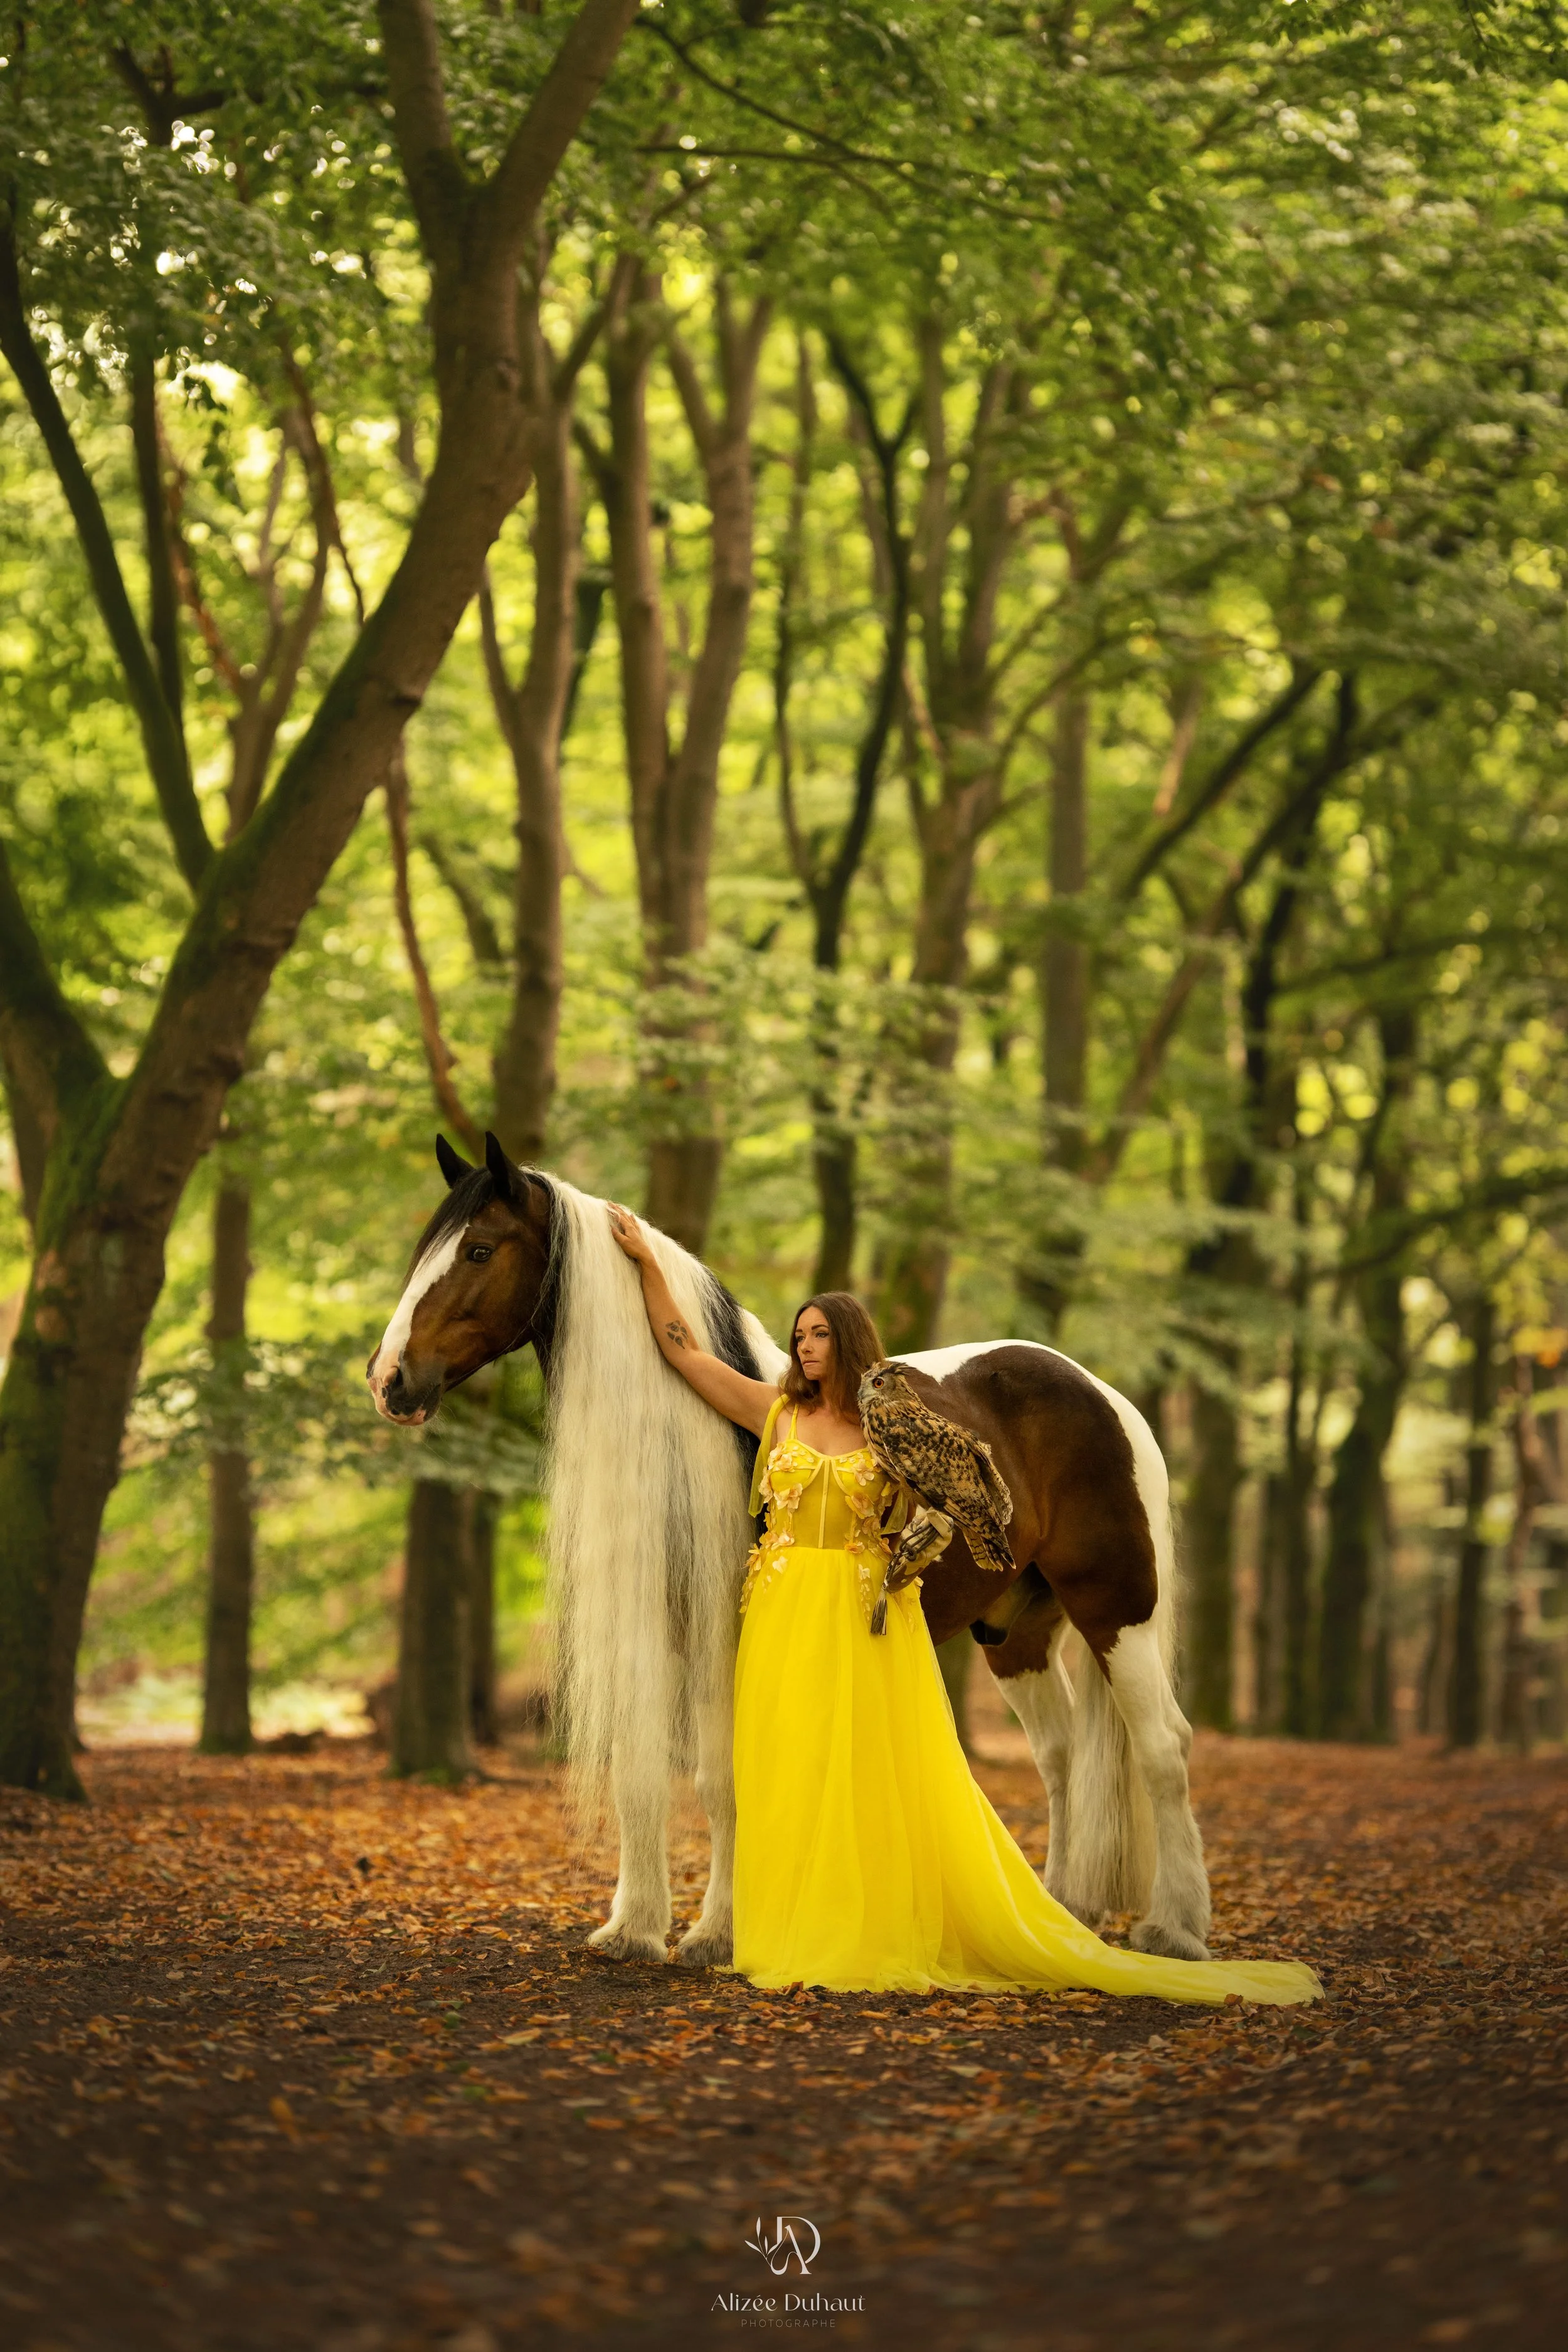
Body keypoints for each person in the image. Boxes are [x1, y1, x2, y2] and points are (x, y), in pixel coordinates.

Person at [607, 1205, 1321, 2007]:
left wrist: (903, 1556)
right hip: (778, 1613)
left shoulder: (892, 1427)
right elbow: (685, 1354)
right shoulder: (773, 1414)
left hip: (853, 1608)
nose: (805, 1349)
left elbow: (972, 1501)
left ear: (848, 1345)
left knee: (873, 1770)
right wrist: (647, 1266)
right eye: (799, 1336)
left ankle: (916, 1921)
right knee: (784, 1766)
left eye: (819, 1337)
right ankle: (784, 1922)